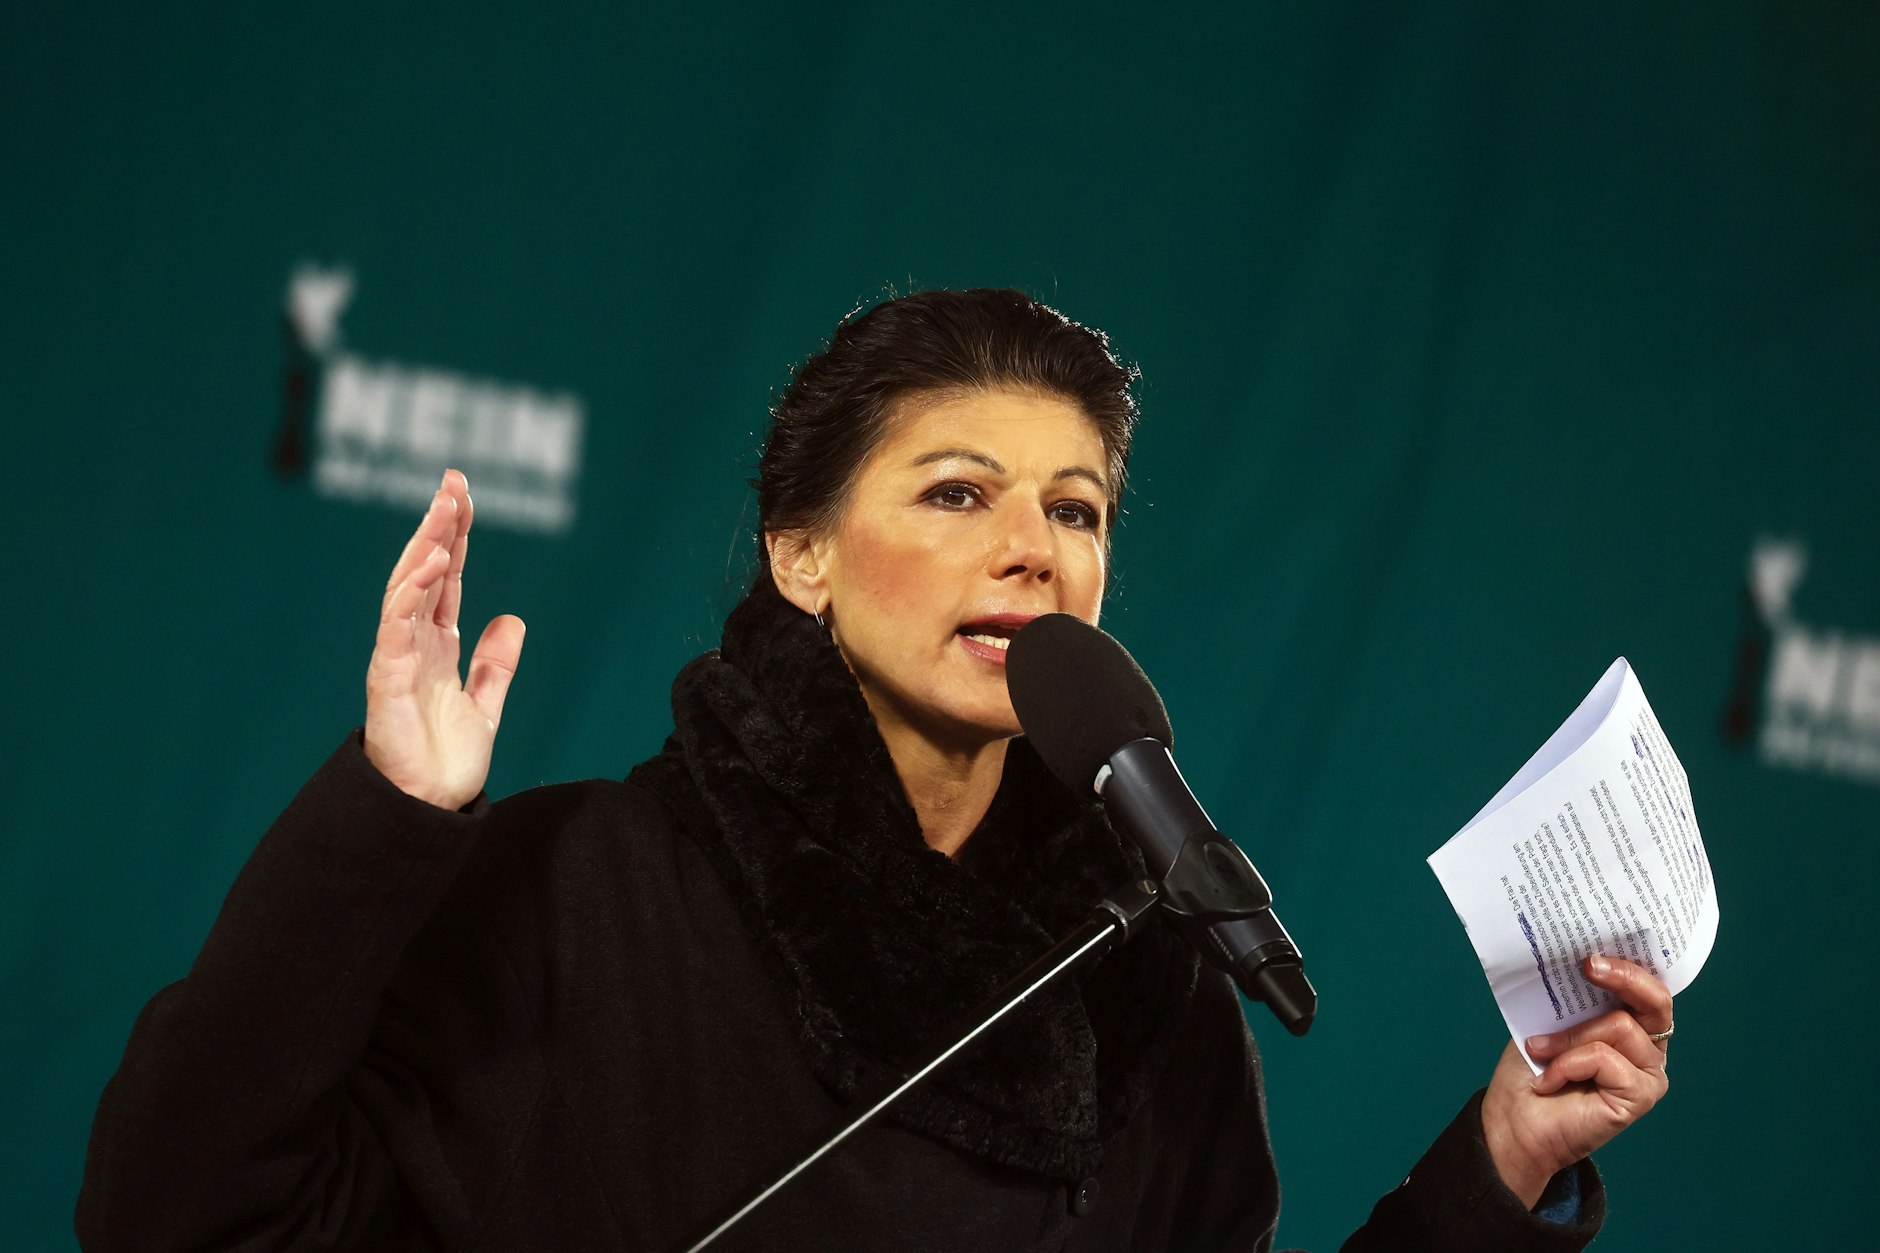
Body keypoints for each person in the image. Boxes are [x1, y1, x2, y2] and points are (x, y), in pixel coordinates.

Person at [78, 289, 1673, 1251]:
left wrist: (1502, 1165)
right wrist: (389, 816)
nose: (1032, 549)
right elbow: (187, 1211)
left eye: (1076, 510)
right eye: (959, 492)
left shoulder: (1147, 976)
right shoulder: (582, 889)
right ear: (803, 556)